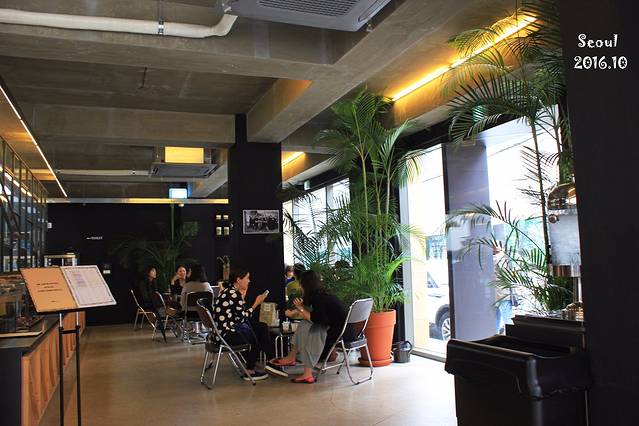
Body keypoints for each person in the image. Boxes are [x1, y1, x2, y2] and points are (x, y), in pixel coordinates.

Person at [266, 270, 353, 383]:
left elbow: (315, 319)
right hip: (341, 328)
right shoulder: (320, 294)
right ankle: (291, 357)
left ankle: (307, 374)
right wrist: (296, 310)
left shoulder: (320, 299)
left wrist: (300, 308)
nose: (300, 287)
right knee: (304, 324)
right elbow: (310, 311)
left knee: (313, 332)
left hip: (342, 333)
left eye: (301, 284)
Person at [212, 267, 272, 381]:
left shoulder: (228, 292)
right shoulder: (234, 294)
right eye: (247, 278)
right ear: (238, 280)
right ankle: (252, 369)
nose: (249, 281)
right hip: (227, 334)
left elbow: (237, 315)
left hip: (221, 332)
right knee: (255, 336)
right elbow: (243, 318)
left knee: (261, 327)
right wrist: (256, 303)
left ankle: (269, 360)